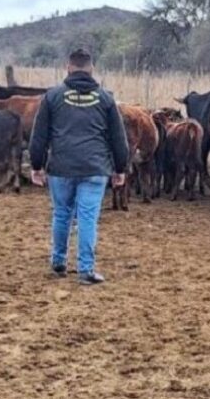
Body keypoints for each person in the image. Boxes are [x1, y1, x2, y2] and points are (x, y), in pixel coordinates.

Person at [29, 48, 129, 285]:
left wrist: (36, 165)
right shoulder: (105, 99)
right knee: (87, 217)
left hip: (61, 167)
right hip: (95, 168)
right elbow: (118, 138)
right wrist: (120, 168)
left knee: (61, 213)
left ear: (68, 67)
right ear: (91, 69)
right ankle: (86, 270)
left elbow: (39, 136)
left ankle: (58, 262)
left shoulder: (52, 97)